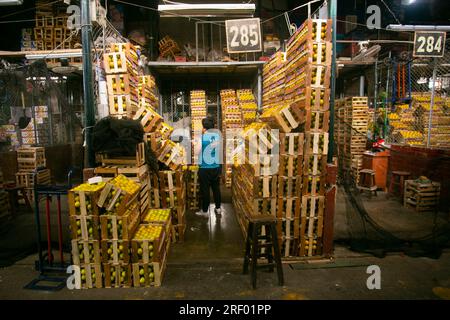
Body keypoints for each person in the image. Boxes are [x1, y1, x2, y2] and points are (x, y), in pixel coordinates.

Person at [195, 117, 222, 218]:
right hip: (215, 166)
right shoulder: (217, 137)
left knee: (205, 189)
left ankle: (205, 211)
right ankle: (218, 208)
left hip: (205, 167)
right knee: (216, 188)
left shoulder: (202, 138)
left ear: (204, 127)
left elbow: (197, 151)